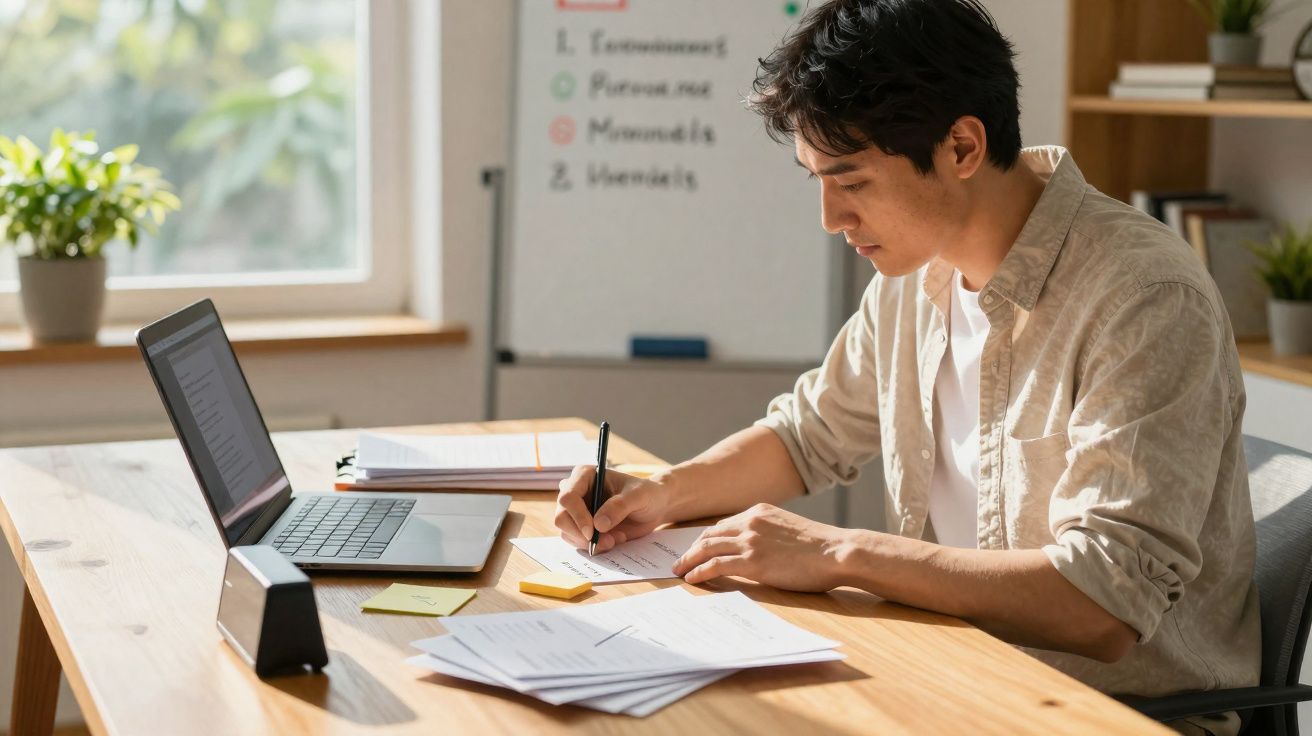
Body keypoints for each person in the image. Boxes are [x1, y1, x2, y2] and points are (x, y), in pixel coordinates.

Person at [553, 1, 1259, 733]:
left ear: (960, 147)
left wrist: (837, 552)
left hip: (1104, 715)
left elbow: (1104, 603)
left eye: (851, 181)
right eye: (816, 180)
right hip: (951, 679)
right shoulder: (913, 280)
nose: (830, 218)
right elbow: (807, 435)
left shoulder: (1144, 299)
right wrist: (662, 494)